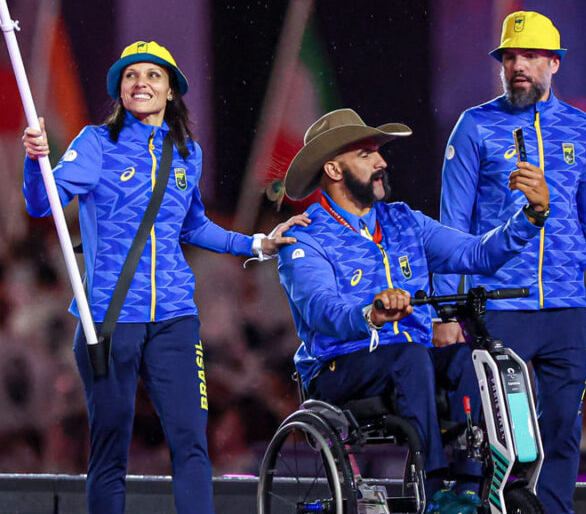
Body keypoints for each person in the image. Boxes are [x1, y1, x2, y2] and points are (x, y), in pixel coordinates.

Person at [21, 40, 309, 514]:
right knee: (110, 447)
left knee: (192, 442)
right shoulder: (96, 142)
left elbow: (195, 226)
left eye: (154, 76)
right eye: (132, 75)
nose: (142, 83)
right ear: (120, 90)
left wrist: (256, 244)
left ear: (171, 91)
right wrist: (35, 162)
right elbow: (42, 203)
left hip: (176, 319)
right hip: (110, 323)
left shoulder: (186, 154)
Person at [276, 108, 550, 511]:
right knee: (411, 356)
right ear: (333, 169)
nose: (382, 161)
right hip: (339, 369)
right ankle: (436, 484)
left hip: (411, 361)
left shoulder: (405, 222)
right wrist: (369, 313)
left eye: (378, 153)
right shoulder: (306, 237)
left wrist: (532, 215)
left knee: (475, 361)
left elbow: (476, 253)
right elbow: (320, 308)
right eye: (366, 154)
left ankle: (470, 488)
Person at [434, 10, 586, 514]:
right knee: (495, 436)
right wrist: (445, 312)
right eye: (509, 56)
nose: (517, 66)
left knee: (563, 430)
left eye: (529, 56)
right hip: (497, 304)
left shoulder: (582, 127)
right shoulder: (475, 126)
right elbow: (451, 226)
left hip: (566, 308)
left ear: (554, 63)